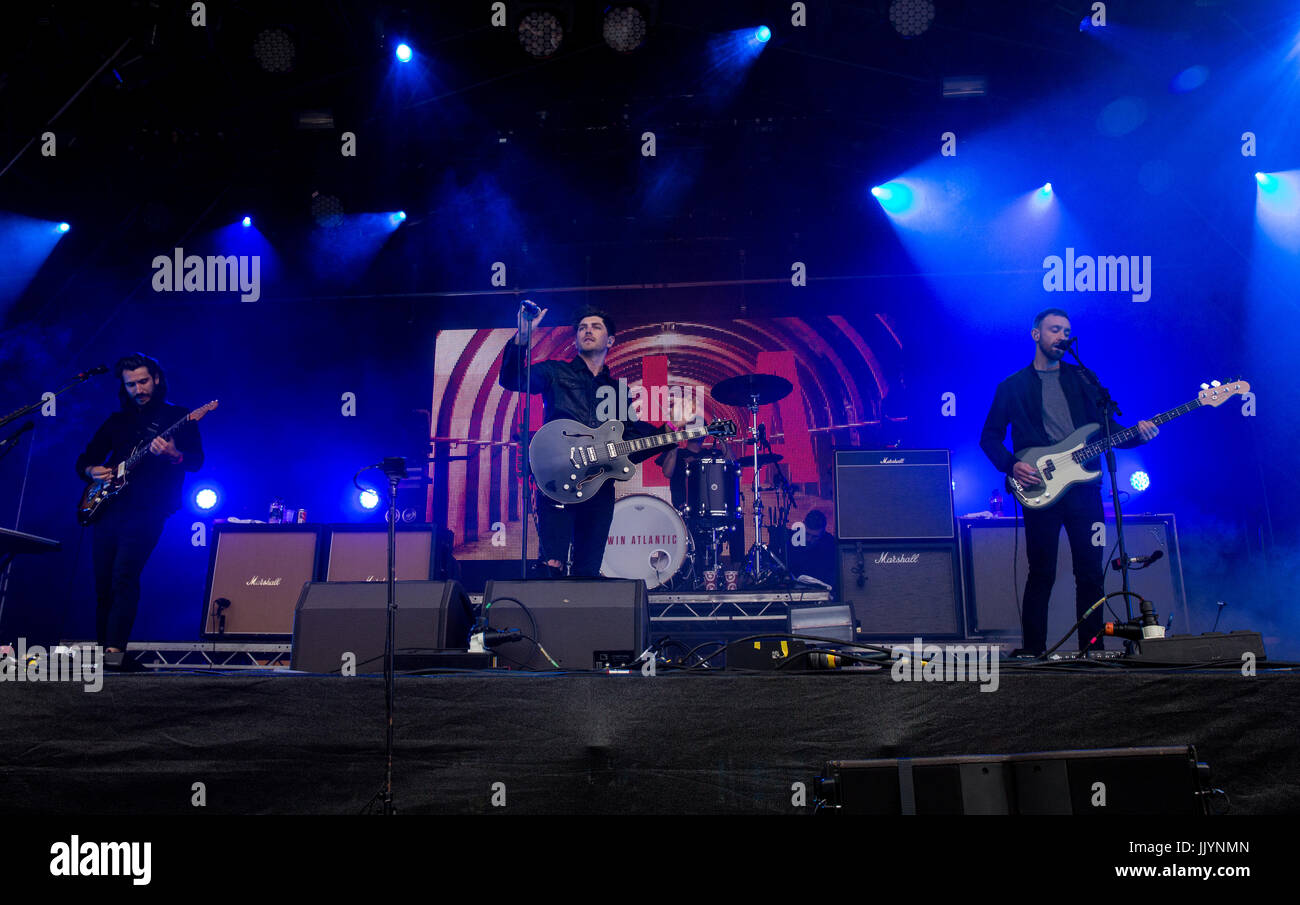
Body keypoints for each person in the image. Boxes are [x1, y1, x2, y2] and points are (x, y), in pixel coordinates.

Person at [980, 308, 1158, 656]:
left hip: (1085, 491)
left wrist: (1139, 435)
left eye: (1066, 331)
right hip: (1039, 490)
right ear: (1036, 335)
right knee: (1041, 573)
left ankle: (1091, 648)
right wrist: (1012, 465)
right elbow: (989, 437)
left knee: (1091, 573)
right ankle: (1033, 651)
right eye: (1054, 330)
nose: (1062, 336)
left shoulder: (1083, 379)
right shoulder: (1012, 387)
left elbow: (1107, 432)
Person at [498, 305, 666, 577]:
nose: (588, 330)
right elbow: (511, 379)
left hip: (598, 486)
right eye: (582, 327)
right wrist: (524, 336)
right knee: (552, 563)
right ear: (576, 339)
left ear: (610, 340)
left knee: (588, 569)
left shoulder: (617, 391)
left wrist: (664, 437)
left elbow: (628, 442)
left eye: (596, 326)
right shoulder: (555, 372)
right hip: (557, 478)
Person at [75, 354, 204, 656]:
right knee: (103, 583)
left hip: (149, 508)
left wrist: (174, 454)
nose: (138, 389)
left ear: (156, 379)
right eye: (131, 384)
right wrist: (92, 471)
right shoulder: (117, 420)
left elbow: (196, 462)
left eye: (143, 381)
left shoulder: (180, 416)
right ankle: (102, 651)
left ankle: (114, 651)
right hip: (107, 508)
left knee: (124, 575)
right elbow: (85, 459)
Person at [657, 435, 741, 568]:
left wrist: (722, 439)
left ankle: (737, 570)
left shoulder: (710, 453)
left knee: (736, 518)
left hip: (712, 508)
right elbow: (667, 472)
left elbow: (732, 465)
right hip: (684, 509)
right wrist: (674, 447)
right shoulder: (678, 453)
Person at [786, 509, 838, 589]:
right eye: (807, 534)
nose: (809, 539)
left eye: (815, 537)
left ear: (823, 532)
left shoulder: (830, 544)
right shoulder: (792, 539)